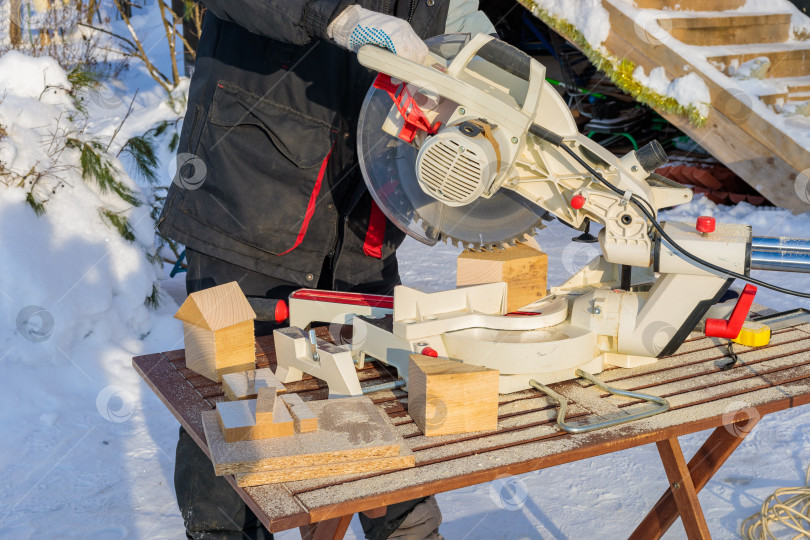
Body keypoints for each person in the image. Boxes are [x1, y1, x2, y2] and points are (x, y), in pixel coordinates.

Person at [158, 1, 495, 538]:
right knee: (235, 409)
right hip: (250, 193)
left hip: (365, 209)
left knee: (383, 403)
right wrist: (336, 15)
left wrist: (466, 56)